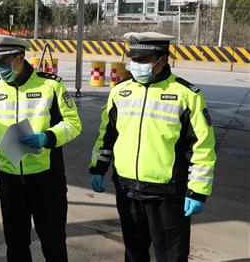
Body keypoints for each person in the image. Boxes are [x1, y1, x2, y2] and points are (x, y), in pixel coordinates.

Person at [0, 34, 82, 261]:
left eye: (4, 62)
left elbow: (73, 123)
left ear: (20, 58)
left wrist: (47, 137)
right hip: (10, 183)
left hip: (46, 182)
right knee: (16, 245)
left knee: (53, 243)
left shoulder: (50, 86)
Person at [89, 32, 217, 262]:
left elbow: (202, 148)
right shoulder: (120, 91)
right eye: (134, 59)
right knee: (134, 254)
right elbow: (107, 135)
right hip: (127, 191)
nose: (136, 65)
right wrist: (98, 168)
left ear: (163, 60)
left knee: (171, 257)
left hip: (167, 196)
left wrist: (197, 190)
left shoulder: (186, 95)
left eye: (144, 60)